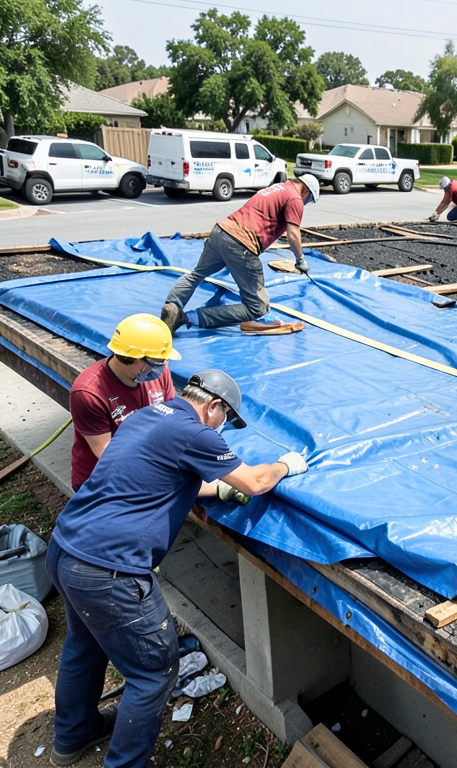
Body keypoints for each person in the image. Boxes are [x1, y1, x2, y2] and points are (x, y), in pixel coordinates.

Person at [46, 369, 309, 768]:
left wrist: (219, 487)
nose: (225, 429)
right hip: (110, 572)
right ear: (214, 406)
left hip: (68, 548)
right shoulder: (196, 433)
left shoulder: (146, 416)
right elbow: (256, 481)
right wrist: (284, 466)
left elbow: (163, 475)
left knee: (84, 646)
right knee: (153, 674)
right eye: (226, 420)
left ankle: (73, 737)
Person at [161, 175, 319, 334]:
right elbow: (293, 234)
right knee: (257, 308)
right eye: (310, 199)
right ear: (306, 190)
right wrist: (300, 259)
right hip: (241, 244)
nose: (307, 203)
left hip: (221, 232)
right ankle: (185, 318)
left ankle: (171, 309)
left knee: (197, 274)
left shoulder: (278, 188)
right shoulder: (295, 198)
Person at [69, 314, 178, 491]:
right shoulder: (89, 393)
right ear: (132, 358)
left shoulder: (158, 374)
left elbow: (173, 421)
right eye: (156, 361)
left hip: (147, 460)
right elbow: (108, 456)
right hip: (101, 479)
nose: (163, 365)